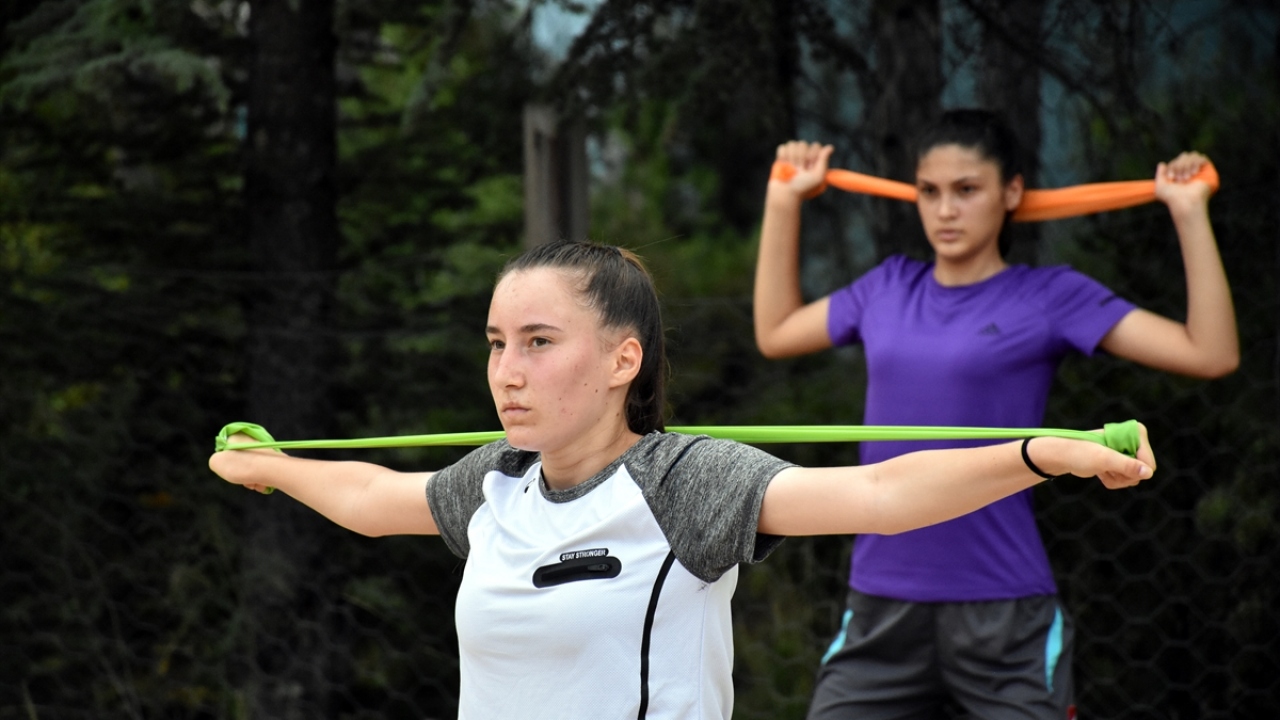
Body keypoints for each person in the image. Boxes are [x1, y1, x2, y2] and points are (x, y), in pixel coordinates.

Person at [210, 240, 1156, 720]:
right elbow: (377, 505)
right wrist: (270, 466)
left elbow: (880, 497)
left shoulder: (687, 481)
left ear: (624, 359)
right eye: (498, 343)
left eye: (539, 343)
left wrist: (1045, 450)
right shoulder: (494, 483)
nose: (508, 370)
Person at [753, 110, 1237, 720]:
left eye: (966, 190)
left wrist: (1189, 213)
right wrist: (783, 199)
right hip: (880, 606)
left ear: (1012, 192)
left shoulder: (1050, 296)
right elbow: (774, 332)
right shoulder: (887, 287)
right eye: (929, 191)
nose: (945, 210)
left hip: (1003, 612)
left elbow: (1210, 352)